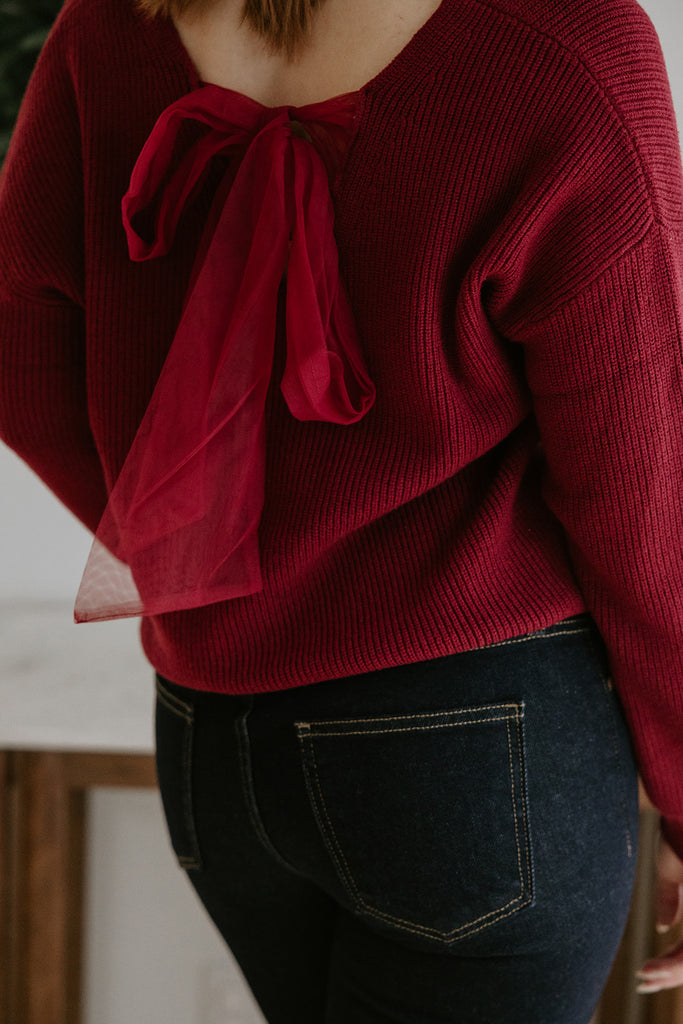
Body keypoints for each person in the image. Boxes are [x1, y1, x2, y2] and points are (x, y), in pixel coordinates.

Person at [0, 0, 682, 1018]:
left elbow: (19, 353)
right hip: (477, 746)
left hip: (217, 746)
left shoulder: (111, 20)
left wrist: (208, 545)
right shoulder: (562, 40)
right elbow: (640, 485)